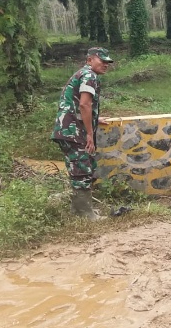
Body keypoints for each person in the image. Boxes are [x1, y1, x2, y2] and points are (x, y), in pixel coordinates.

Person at [51, 47, 113, 221]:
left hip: (69, 128)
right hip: (74, 131)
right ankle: (86, 214)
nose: (105, 65)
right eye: (102, 61)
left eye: (107, 62)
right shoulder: (89, 76)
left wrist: (95, 119)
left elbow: (77, 103)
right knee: (82, 169)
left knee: (83, 168)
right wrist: (89, 134)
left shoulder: (82, 74)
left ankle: (78, 210)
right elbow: (85, 105)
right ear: (90, 60)